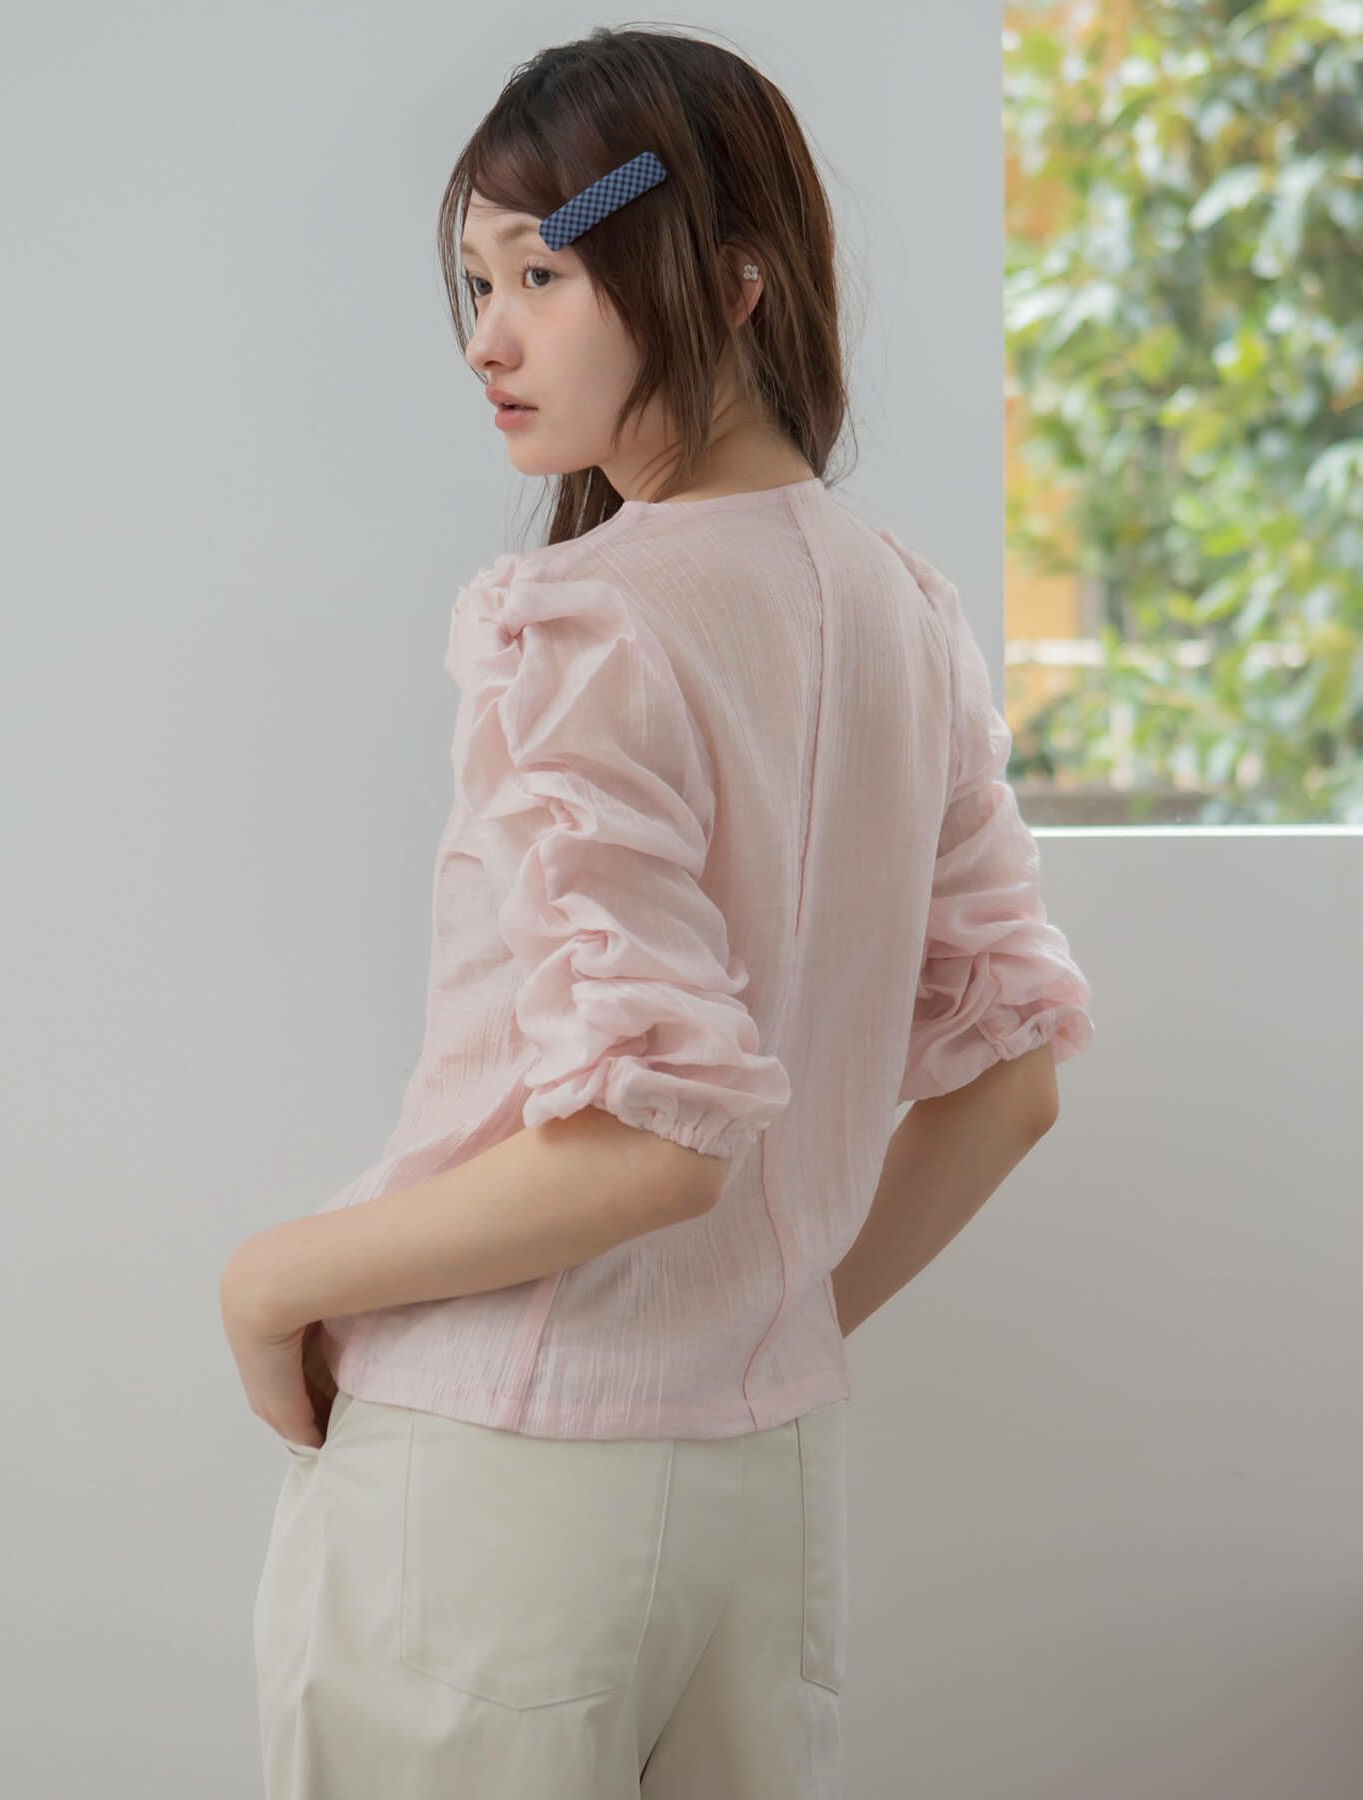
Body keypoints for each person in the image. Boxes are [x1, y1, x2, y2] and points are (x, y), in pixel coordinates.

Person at [223, 23, 1094, 1798]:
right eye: (478, 280)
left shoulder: (580, 620)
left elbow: (650, 1146)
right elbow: (1012, 1081)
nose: (488, 337)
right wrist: (774, 1322)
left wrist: (270, 1280)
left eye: (542, 274)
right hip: (766, 1494)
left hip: (496, 1489)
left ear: (734, 280)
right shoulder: (909, 614)